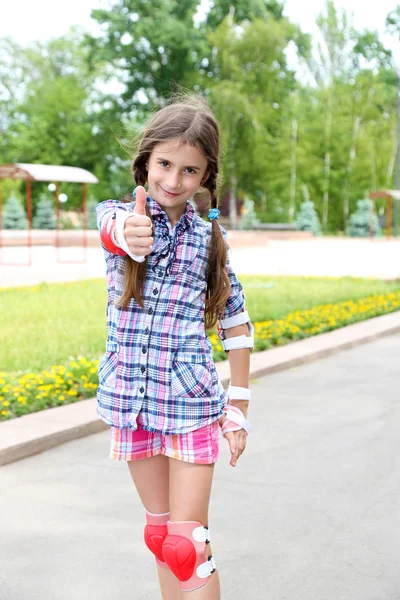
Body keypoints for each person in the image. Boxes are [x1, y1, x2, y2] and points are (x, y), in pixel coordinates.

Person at [96, 95, 253, 600]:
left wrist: (240, 408)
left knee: (188, 544)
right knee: (161, 538)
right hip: (133, 401)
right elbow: (114, 231)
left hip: (188, 403)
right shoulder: (119, 218)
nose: (173, 180)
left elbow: (236, 323)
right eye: (164, 164)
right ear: (146, 162)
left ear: (206, 176)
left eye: (190, 170)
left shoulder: (210, 240)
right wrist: (128, 232)